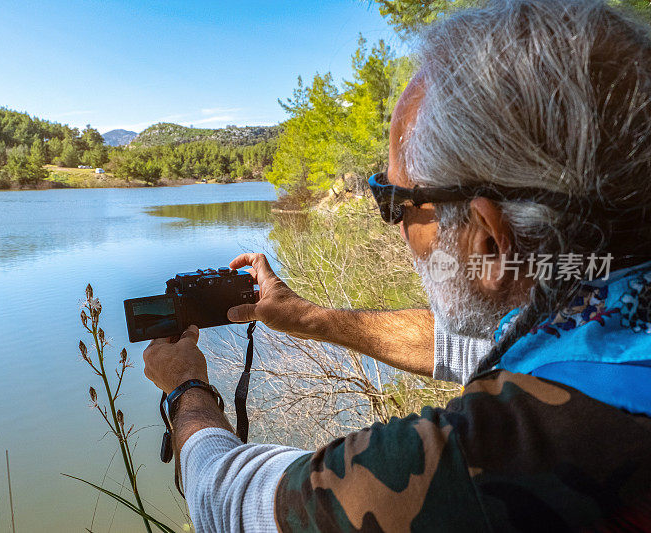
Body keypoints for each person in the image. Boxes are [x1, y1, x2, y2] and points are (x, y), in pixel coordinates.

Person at [143, 0, 651, 530]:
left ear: (490, 243)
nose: (396, 226)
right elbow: (473, 345)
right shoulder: (604, 318)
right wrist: (302, 315)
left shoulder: (495, 457)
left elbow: (233, 502)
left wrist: (186, 388)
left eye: (395, 201)